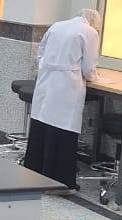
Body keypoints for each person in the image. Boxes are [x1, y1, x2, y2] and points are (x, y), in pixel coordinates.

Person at [24, 10, 101, 190]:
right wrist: (93, 77)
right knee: (62, 131)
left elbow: (40, 52)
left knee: (42, 127)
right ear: (93, 22)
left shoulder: (57, 26)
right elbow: (89, 66)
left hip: (46, 79)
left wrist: (48, 67)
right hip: (67, 84)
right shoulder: (89, 32)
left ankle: (35, 172)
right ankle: (59, 179)